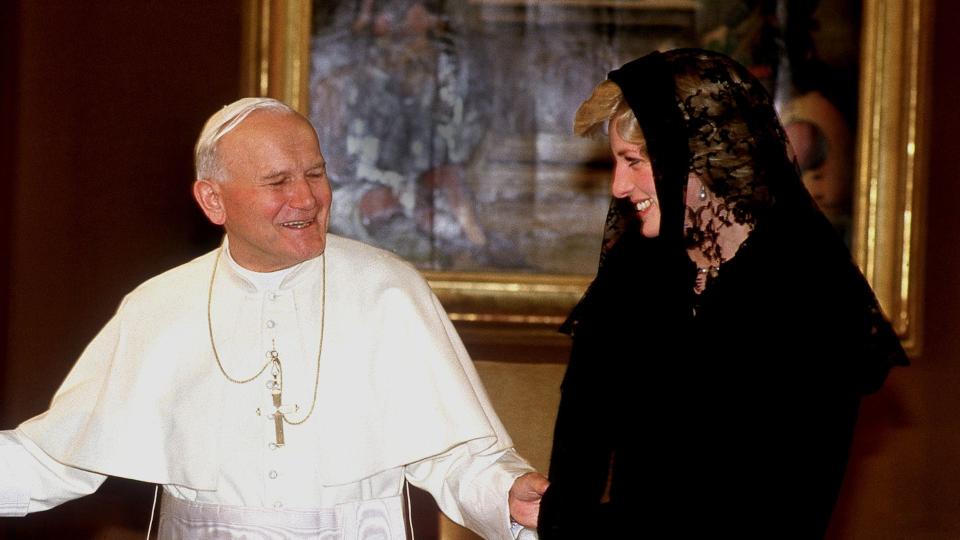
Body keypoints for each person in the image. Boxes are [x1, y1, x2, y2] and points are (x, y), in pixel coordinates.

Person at [0, 97, 548, 539]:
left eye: (315, 173)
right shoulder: (159, 305)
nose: (306, 198)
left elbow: (458, 456)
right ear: (213, 201)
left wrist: (506, 493)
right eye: (277, 182)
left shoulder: (389, 289)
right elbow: (58, 457)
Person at [537, 49, 908, 539]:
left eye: (633, 161)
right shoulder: (633, 272)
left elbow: (789, 503)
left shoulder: (808, 287)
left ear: (696, 158)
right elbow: (581, 441)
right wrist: (553, 514)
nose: (619, 186)